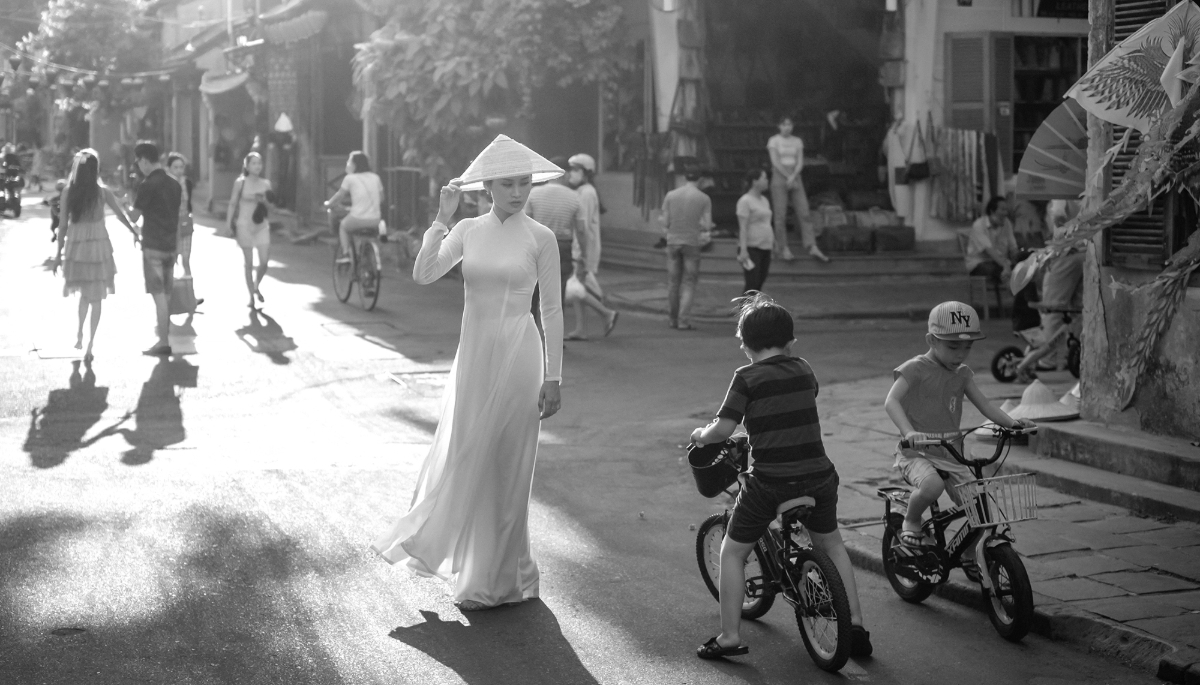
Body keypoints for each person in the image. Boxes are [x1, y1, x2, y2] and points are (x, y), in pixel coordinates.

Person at [372, 134, 565, 611]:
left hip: (521, 357)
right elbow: (424, 273)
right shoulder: (468, 230)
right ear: (488, 186)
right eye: (507, 183)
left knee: (510, 468)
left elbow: (552, 310)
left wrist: (554, 377)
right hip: (475, 358)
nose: (517, 192)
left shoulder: (541, 238)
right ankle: (498, 571)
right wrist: (441, 218)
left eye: (524, 183)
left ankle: (501, 580)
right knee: (471, 457)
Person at [689, 292, 871, 660]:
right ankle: (855, 625)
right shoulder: (804, 369)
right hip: (820, 476)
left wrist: (702, 435)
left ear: (744, 344)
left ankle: (729, 637)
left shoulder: (746, 377)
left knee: (733, 552)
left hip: (770, 482)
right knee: (832, 544)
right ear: (790, 342)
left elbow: (724, 429)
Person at [883, 302, 1034, 569]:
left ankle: (969, 554)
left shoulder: (962, 374)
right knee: (932, 486)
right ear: (931, 340)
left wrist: (1013, 424)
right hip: (916, 452)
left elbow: (985, 405)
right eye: (953, 347)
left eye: (967, 347)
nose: (961, 354)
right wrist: (910, 432)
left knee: (981, 507)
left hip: (952, 454)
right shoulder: (915, 368)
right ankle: (912, 519)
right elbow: (891, 401)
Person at [53, 149, 138, 362]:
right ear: (95, 169)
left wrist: (58, 254)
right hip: (99, 247)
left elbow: (62, 226)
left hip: (77, 247)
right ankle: (91, 343)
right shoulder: (102, 192)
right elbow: (120, 215)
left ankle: (80, 333)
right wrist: (134, 232)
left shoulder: (68, 192)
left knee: (84, 295)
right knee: (97, 297)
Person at [1013, 199, 1084, 382]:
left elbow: (1059, 215)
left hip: (1066, 252)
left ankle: (1048, 359)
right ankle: (1073, 355)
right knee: (1077, 310)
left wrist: (1062, 242)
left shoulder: (1060, 195)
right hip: (1085, 251)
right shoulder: (1080, 191)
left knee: (1053, 307)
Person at [124, 141, 181, 357]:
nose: (138, 166)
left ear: (145, 161)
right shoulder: (174, 184)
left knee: (159, 296)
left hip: (153, 246)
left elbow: (134, 216)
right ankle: (164, 338)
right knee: (166, 294)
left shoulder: (147, 185)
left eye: (138, 161)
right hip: (170, 246)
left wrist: (123, 204)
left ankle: (163, 342)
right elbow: (177, 217)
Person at [564, 153, 618, 340]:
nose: (571, 173)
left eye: (575, 169)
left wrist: (581, 253)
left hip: (582, 248)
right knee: (578, 287)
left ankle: (606, 313)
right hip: (581, 247)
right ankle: (581, 329)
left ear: (586, 173)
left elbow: (583, 227)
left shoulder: (586, 193)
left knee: (578, 288)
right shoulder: (583, 191)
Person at [525, 157, 583, 321]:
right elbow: (581, 230)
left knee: (533, 290)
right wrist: (583, 255)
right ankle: (554, 334)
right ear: (565, 174)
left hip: (537, 245)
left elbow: (525, 224)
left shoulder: (533, 194)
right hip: (562, 247)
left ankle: (530, 331)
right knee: (557, 292)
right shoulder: (575, 197)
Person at [768, 117, 829, 264]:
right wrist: (787, 176)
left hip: (795, 175)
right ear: (779, 126)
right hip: (780, 174)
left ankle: (811, 245)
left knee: (804, 211)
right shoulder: (774, 140)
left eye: (789, 124)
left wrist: (793, 175)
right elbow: (775, 161)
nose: (787, 127)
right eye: (784, 124)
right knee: (780, 215)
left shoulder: (797, 141)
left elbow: (800, 161)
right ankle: (783, 247)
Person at [660, 164, 713, 330]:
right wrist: (698, 223)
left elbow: (665, 222)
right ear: (700, 179)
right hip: (691, 242)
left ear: (684, 178)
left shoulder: (671, 195)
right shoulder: (704, 198)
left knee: (673, 283)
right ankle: (683, 320)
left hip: (673, 241)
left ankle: (672, 319)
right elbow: (707, 225)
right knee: (689, 282)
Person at [227, 152, 274, 308]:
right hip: (244, 225)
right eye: (253, 163)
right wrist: (228, 224)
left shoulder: (266, 184)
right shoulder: (240, 183)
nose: (257, 166)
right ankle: (251, 296)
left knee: (264, 261)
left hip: (261, 225)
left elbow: (271, 207)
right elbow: (233, 203)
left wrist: (264, 201)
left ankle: (256, 285)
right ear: (247, 166)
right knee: (249, 263)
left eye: (259, 163)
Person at [325, 150, 384, 260]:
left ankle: (346, 254)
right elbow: (381, 198)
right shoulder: (375, 177)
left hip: (357, 219)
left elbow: (339, 196)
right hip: (376, 220)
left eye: (349, 161)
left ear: (355, 164)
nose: (347, 163)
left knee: (343, 226)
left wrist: (329, 204)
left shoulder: (350, 178)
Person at [166, 153, 203, 309]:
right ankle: (169, 298)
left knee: (186, 260)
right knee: (171, 262)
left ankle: (190, 297)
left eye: (181, 167)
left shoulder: (186, 182)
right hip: (169, 225)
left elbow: (188, 204)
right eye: (176, 167)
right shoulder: (166, 184)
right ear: (168, 168)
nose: (179, 170)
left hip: (185, 223)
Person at [964, 196, 1019, 296]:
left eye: (1007, 210)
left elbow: (1013, 246)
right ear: (992, 211)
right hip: (980, 264)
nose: (1006, 213)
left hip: (1001, 263)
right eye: (1002, 209)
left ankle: (1022, 298)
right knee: (999, 270)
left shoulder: (1007, 223)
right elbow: (990, 251)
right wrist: (1005, 266)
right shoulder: (979, 225)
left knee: (1023, 269)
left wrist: (1019, 260)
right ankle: (1015, 294)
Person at [736, 169, 774, 294]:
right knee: (752, 282)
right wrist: (743, 249)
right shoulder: (745, 201)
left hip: (766, 246)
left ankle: (752, 306)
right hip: (751, 247)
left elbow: (767, 223)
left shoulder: (765, 200)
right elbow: (743, 227)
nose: (767, 181)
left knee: (760, 282)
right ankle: (745, 306)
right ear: (755, 181)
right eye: (764, 178)